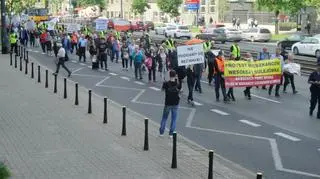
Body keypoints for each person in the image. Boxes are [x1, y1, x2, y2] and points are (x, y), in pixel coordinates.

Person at [159, 70, 181, 137]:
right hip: (175, 103)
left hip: (168, 103)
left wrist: (164, 84)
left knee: (164, 118)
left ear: (169, 75)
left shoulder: (166, 83)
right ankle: (171, 134)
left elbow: (162, 90)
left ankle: (161, 133)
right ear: (175, 75)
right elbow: (180, 91)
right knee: (174, 119)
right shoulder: (178, 83)